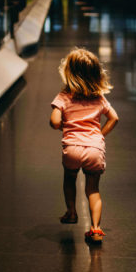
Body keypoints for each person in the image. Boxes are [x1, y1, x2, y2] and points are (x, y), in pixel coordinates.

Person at [50, 47, 119, 243]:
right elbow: (114, 118)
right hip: (94, 150)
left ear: (68, 73)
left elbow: (55, 122)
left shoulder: (63, 96)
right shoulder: (98, 97)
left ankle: (71, 212)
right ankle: (96, 229)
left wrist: (64, 125)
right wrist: (99, 135)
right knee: (93, 190)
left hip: (72, 148)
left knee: (69, 179)